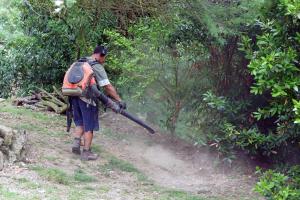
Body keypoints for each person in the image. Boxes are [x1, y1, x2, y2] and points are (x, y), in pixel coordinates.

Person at [70, 45, 126, 161]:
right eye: (104, 57)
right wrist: (119, 100)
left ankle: (76, 143)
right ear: (101, 55)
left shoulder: (82, 61)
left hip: (74, 95)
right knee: (89, 125)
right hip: (87, 99)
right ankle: (86, 152)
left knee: (80, 122)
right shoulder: (96, 66)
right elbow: (107, 86)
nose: (104, 60)